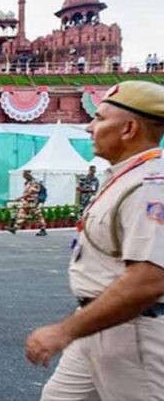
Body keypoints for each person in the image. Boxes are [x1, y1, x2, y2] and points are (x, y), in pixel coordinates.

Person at [25, 80, 164, 400]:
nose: (90, 127)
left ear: (129, 128)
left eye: (100, 119)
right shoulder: (124, 176)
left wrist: (63, 332)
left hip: (133, 332)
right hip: (96, 323)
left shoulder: (150, 185)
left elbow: (148, 280)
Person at [8, 170, 47, 236]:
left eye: (25, 174)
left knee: (37, 215)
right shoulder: (27, 182)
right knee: (22, 213)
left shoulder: (34, 182)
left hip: (33, 201)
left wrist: (20, 198)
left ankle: (43, 229)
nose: (23, 176)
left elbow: (30, 192)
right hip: (27, 201)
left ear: (29, 175)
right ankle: (15, 228)